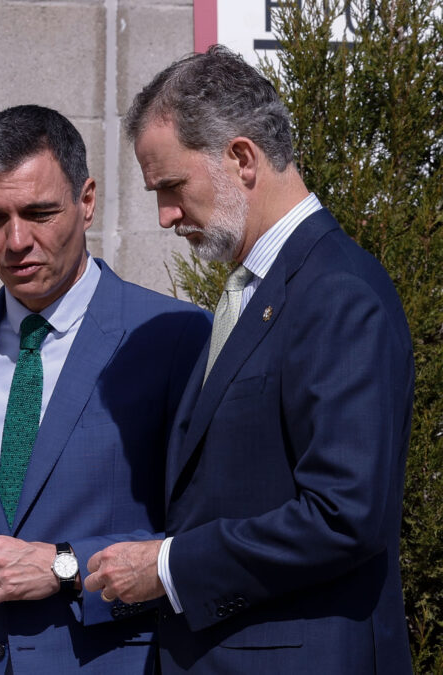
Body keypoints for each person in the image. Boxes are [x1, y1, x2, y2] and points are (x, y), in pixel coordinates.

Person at [83, 46, 414, 673]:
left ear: (241, 158)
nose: (165, 216)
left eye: (173, 187)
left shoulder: (338, 293)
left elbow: (345, 517)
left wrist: (167, 566)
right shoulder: (257, 289)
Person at [0, 104, 211, 673]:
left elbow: (198, 537)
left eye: (39, 212)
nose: (15, 241)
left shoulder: (175, 338)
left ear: (86, 201)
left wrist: (63, 566)